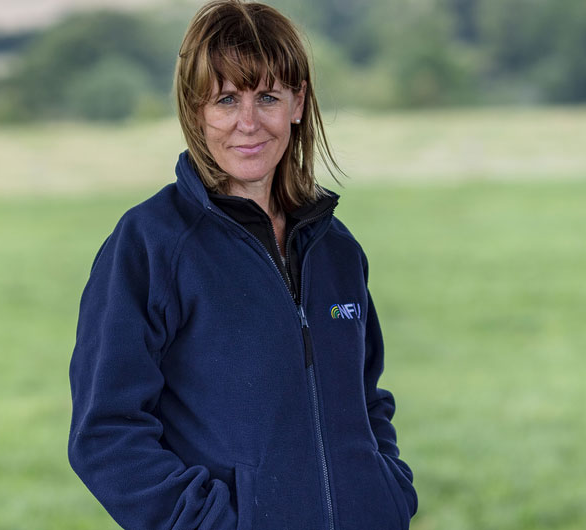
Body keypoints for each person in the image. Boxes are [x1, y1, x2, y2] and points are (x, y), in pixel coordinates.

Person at [67, 1, 417, 528]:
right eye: (227, 99)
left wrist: (384, 492)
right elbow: (106, 432)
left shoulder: (336, 249)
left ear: (297, 104)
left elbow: (366, 401)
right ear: (195, 109)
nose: (248, 124)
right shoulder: (150, 244)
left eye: (268, 97)